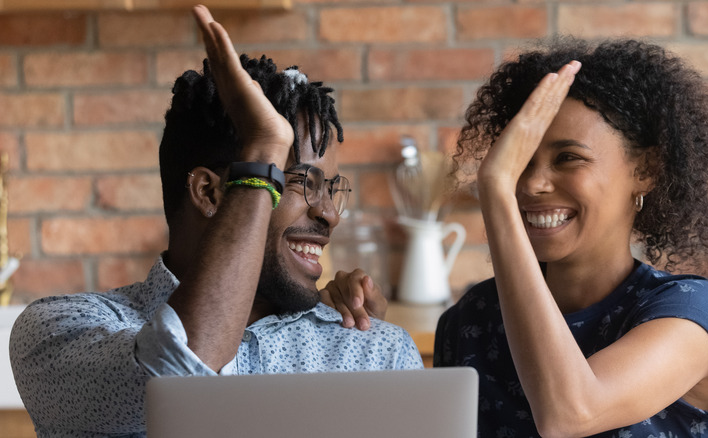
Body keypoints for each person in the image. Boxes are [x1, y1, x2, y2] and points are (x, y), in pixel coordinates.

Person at [10, 6, 422, 437]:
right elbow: (177, 377)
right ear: (210, 193)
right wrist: (265, 150)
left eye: (331, 188)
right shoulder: (61, 333)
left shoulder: (374, 352)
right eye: (303, 182)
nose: (330, 213)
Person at [433, 37, 708, 437]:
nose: (532, 184)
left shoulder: (689, 314)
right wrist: (365, 326)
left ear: (646, 169)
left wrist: (495, 186)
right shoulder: (473, 317)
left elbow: (570, 414)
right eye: (520, 162)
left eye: (568, 158)